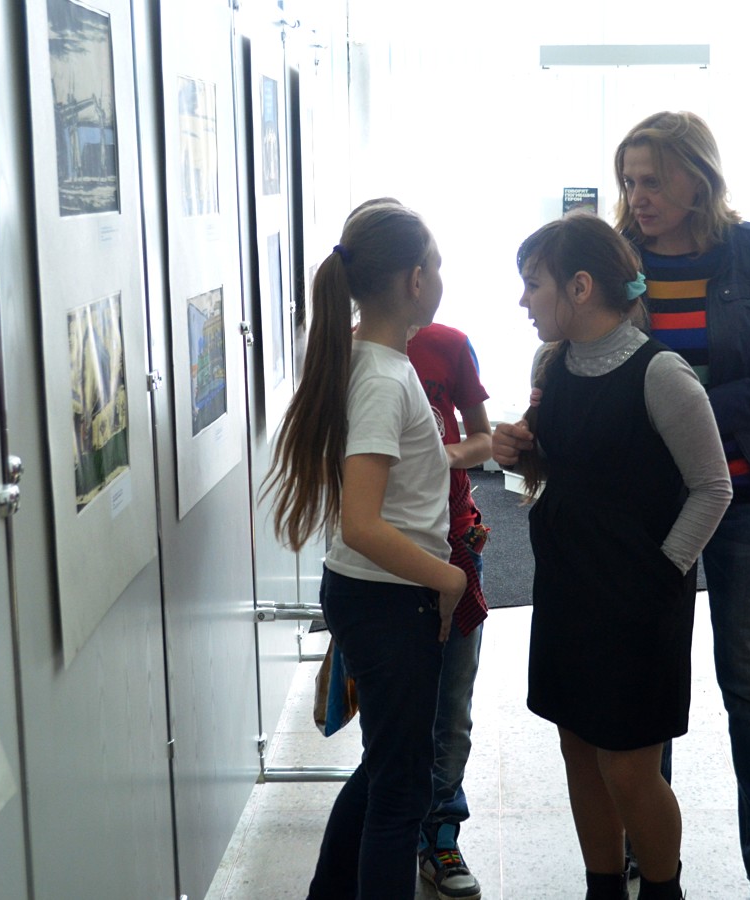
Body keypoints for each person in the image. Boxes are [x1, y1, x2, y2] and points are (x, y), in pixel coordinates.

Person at [492, 213, 732, 900]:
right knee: (579, 752)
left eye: (533, 284)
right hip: (568, 589)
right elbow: (569, 469)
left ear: (581, 286)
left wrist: (660, 573)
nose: (523, 300)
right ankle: (602, 887)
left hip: (638, 602)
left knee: (629, 767)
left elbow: (713, 487)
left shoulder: (661, 374)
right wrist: (519, 454)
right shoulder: (553, 365)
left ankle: (661, 889)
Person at [612, 111, 750, 899]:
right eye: (630, 180)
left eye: (653, 180)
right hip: (645, 501)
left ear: (698, 181)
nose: (638, 196)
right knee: (644, 683)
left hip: (745, 495)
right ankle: (647, 849)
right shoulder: (616, 255)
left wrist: (690, 405)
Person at [266, 200, 467, 900]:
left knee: (387, 769)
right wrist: (446, 579)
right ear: (415, 280)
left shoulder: (368, 358)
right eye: (436, 264)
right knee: (400, 793)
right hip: (388, 601)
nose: (440, 276)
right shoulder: (381, 377)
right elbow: (361, 523)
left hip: (372, 595)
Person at [407, 321, 493, 900]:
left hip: (456, 545)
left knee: (452, 709)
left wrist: (445, 456)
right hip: (387, 559)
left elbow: (483, 439)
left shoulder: (449, 345)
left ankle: (440, 833)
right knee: (397, 711)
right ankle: (396, 826)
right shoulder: (351, 348)